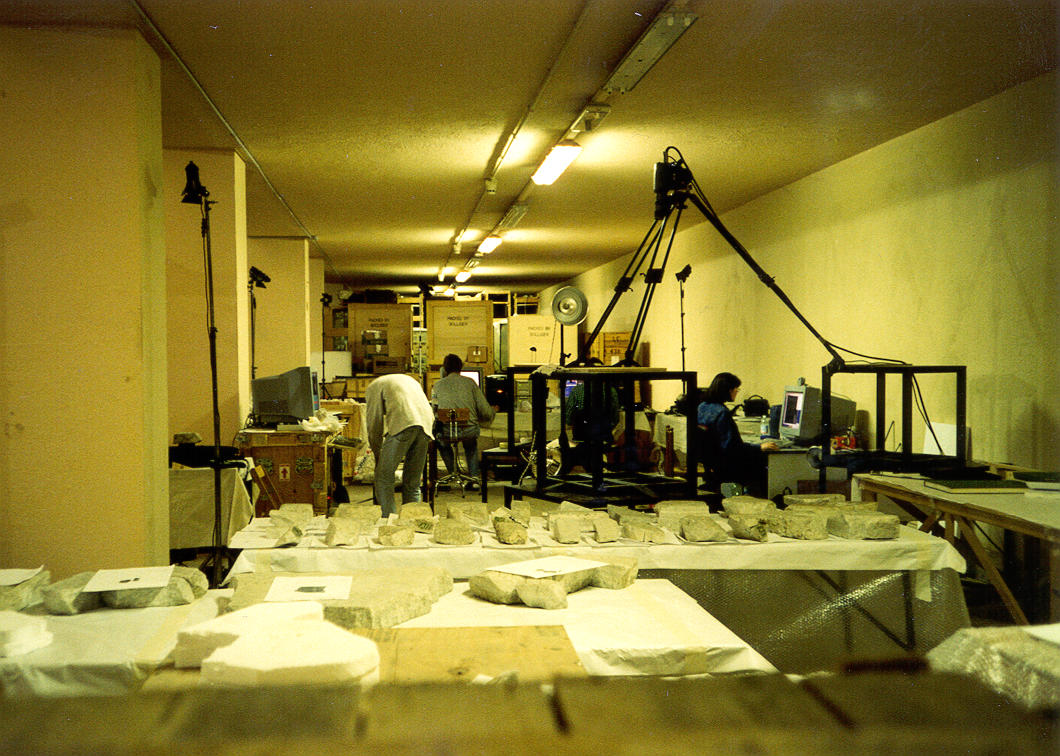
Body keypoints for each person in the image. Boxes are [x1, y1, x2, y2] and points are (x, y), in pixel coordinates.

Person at [697, 372, 778, 496]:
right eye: (736, 389)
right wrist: (760, 447)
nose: (736, 392)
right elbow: (733, 448)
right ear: (729, 390)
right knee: (766, 464)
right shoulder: (722, 412)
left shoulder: (702, 406)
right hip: (727, 466)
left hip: (712, 463)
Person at [365, 373, 434, 516]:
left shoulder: (373, 388)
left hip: (405, 423)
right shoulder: (408, 380)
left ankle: (389, 519)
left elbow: (374, 424)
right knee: (412, 482)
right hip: (426, 425)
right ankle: (413, 518)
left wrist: (377, 455)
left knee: (383, 478)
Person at [430, 354, 496, 488]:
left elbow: (434, 411)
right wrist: (491, 413)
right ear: (461, 367)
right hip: (469, 431)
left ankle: (453, 473)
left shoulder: (437, 385)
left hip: (447, 432)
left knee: (442, 444)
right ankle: (474, 477)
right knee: (470, 446)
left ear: (445, 369)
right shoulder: (470, 383)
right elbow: (483, 408)